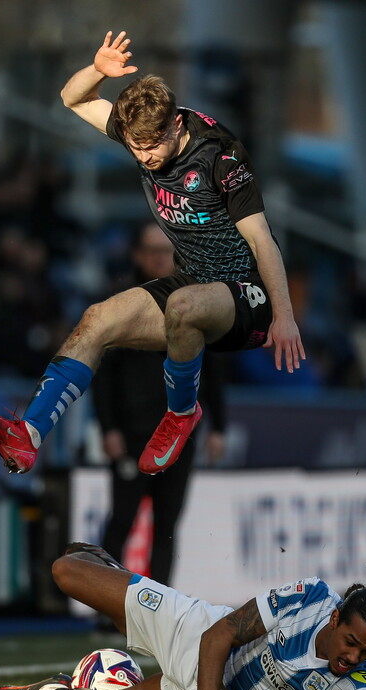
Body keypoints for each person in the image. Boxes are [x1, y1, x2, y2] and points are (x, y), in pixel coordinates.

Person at [0, 30, 304, 477]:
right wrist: (95, 71)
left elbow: (263, 239)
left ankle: (182, 414)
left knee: (184, 307)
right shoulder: (139, 132)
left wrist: (283, 314)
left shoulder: (220, 157)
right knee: (96, 318)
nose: (144, 157)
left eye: (152, 147)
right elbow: (73, 99)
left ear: (177, 126)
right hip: (194, 281)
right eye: (136, 148)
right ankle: (27, 435)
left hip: (246, 292)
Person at [0, 543, 366, 690]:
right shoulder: (308, 599)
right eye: (351, 641)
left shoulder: (356, 676)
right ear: (334, 618)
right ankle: (113, 574)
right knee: (66, 571)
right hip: (199, 635)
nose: (354, 655)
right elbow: (222, 633)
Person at [94, 222, 227, 586]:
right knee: (122, 518)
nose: (160, 258)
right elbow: (103, 373)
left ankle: (160, 612)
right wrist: (108, 428)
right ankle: (108, 609)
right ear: (137, 255)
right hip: (134, 431)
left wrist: (219, 427)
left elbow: (211, 368)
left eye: (165, 250)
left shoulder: (195, 300)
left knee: (167, 524)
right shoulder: (120, 302)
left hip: (180, 432)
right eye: (152, 250)